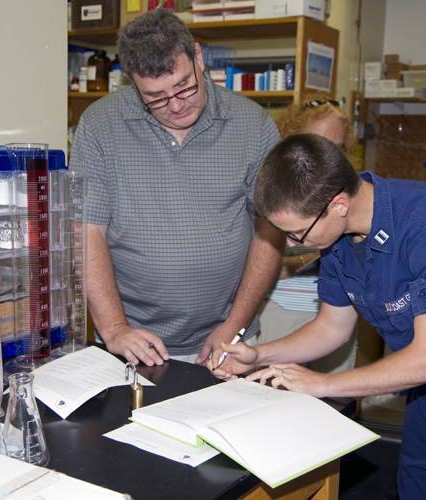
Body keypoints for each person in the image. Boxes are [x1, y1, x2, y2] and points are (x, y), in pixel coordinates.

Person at [209, 134, 426, 499]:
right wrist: (261, 355)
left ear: (339, 204)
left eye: (296, 232)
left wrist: (321, 384)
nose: (290, 244)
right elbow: (332, 327)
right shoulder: (337, 236)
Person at [69, 10, 284, 367]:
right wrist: (115, 327)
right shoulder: (99, 125)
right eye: (155, 97)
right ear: (132, 83)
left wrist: (235, 323)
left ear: (198, 58)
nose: (176, 105)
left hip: (227, 339)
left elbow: (269, 229)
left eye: (184, 86)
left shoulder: (253, 124)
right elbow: (86, 231)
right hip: (133, 344)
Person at [256, 98, 358, 374]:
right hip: (282, 311)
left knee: (333, 402)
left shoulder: (346, 190)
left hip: (335, 315)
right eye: (320, 142)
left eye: (337, 148)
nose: (328, 157)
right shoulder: (275, 190)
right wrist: (315, 250)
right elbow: (268, 267)